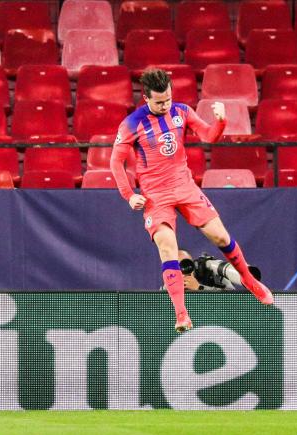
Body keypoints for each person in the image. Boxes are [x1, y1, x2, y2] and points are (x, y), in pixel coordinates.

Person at [110, 68, 273, 333]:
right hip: (155, 195)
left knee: (221, 237)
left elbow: (209, 136)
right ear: (146, 99)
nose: (165, 105)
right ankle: (182, 314)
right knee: (167, 247)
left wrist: (220, 122)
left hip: (184, 186)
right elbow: (115, 162)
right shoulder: (131, 123)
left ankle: (250, 282)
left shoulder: (182, 111)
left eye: (168, 99)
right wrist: (129, 195)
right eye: (160, 102)